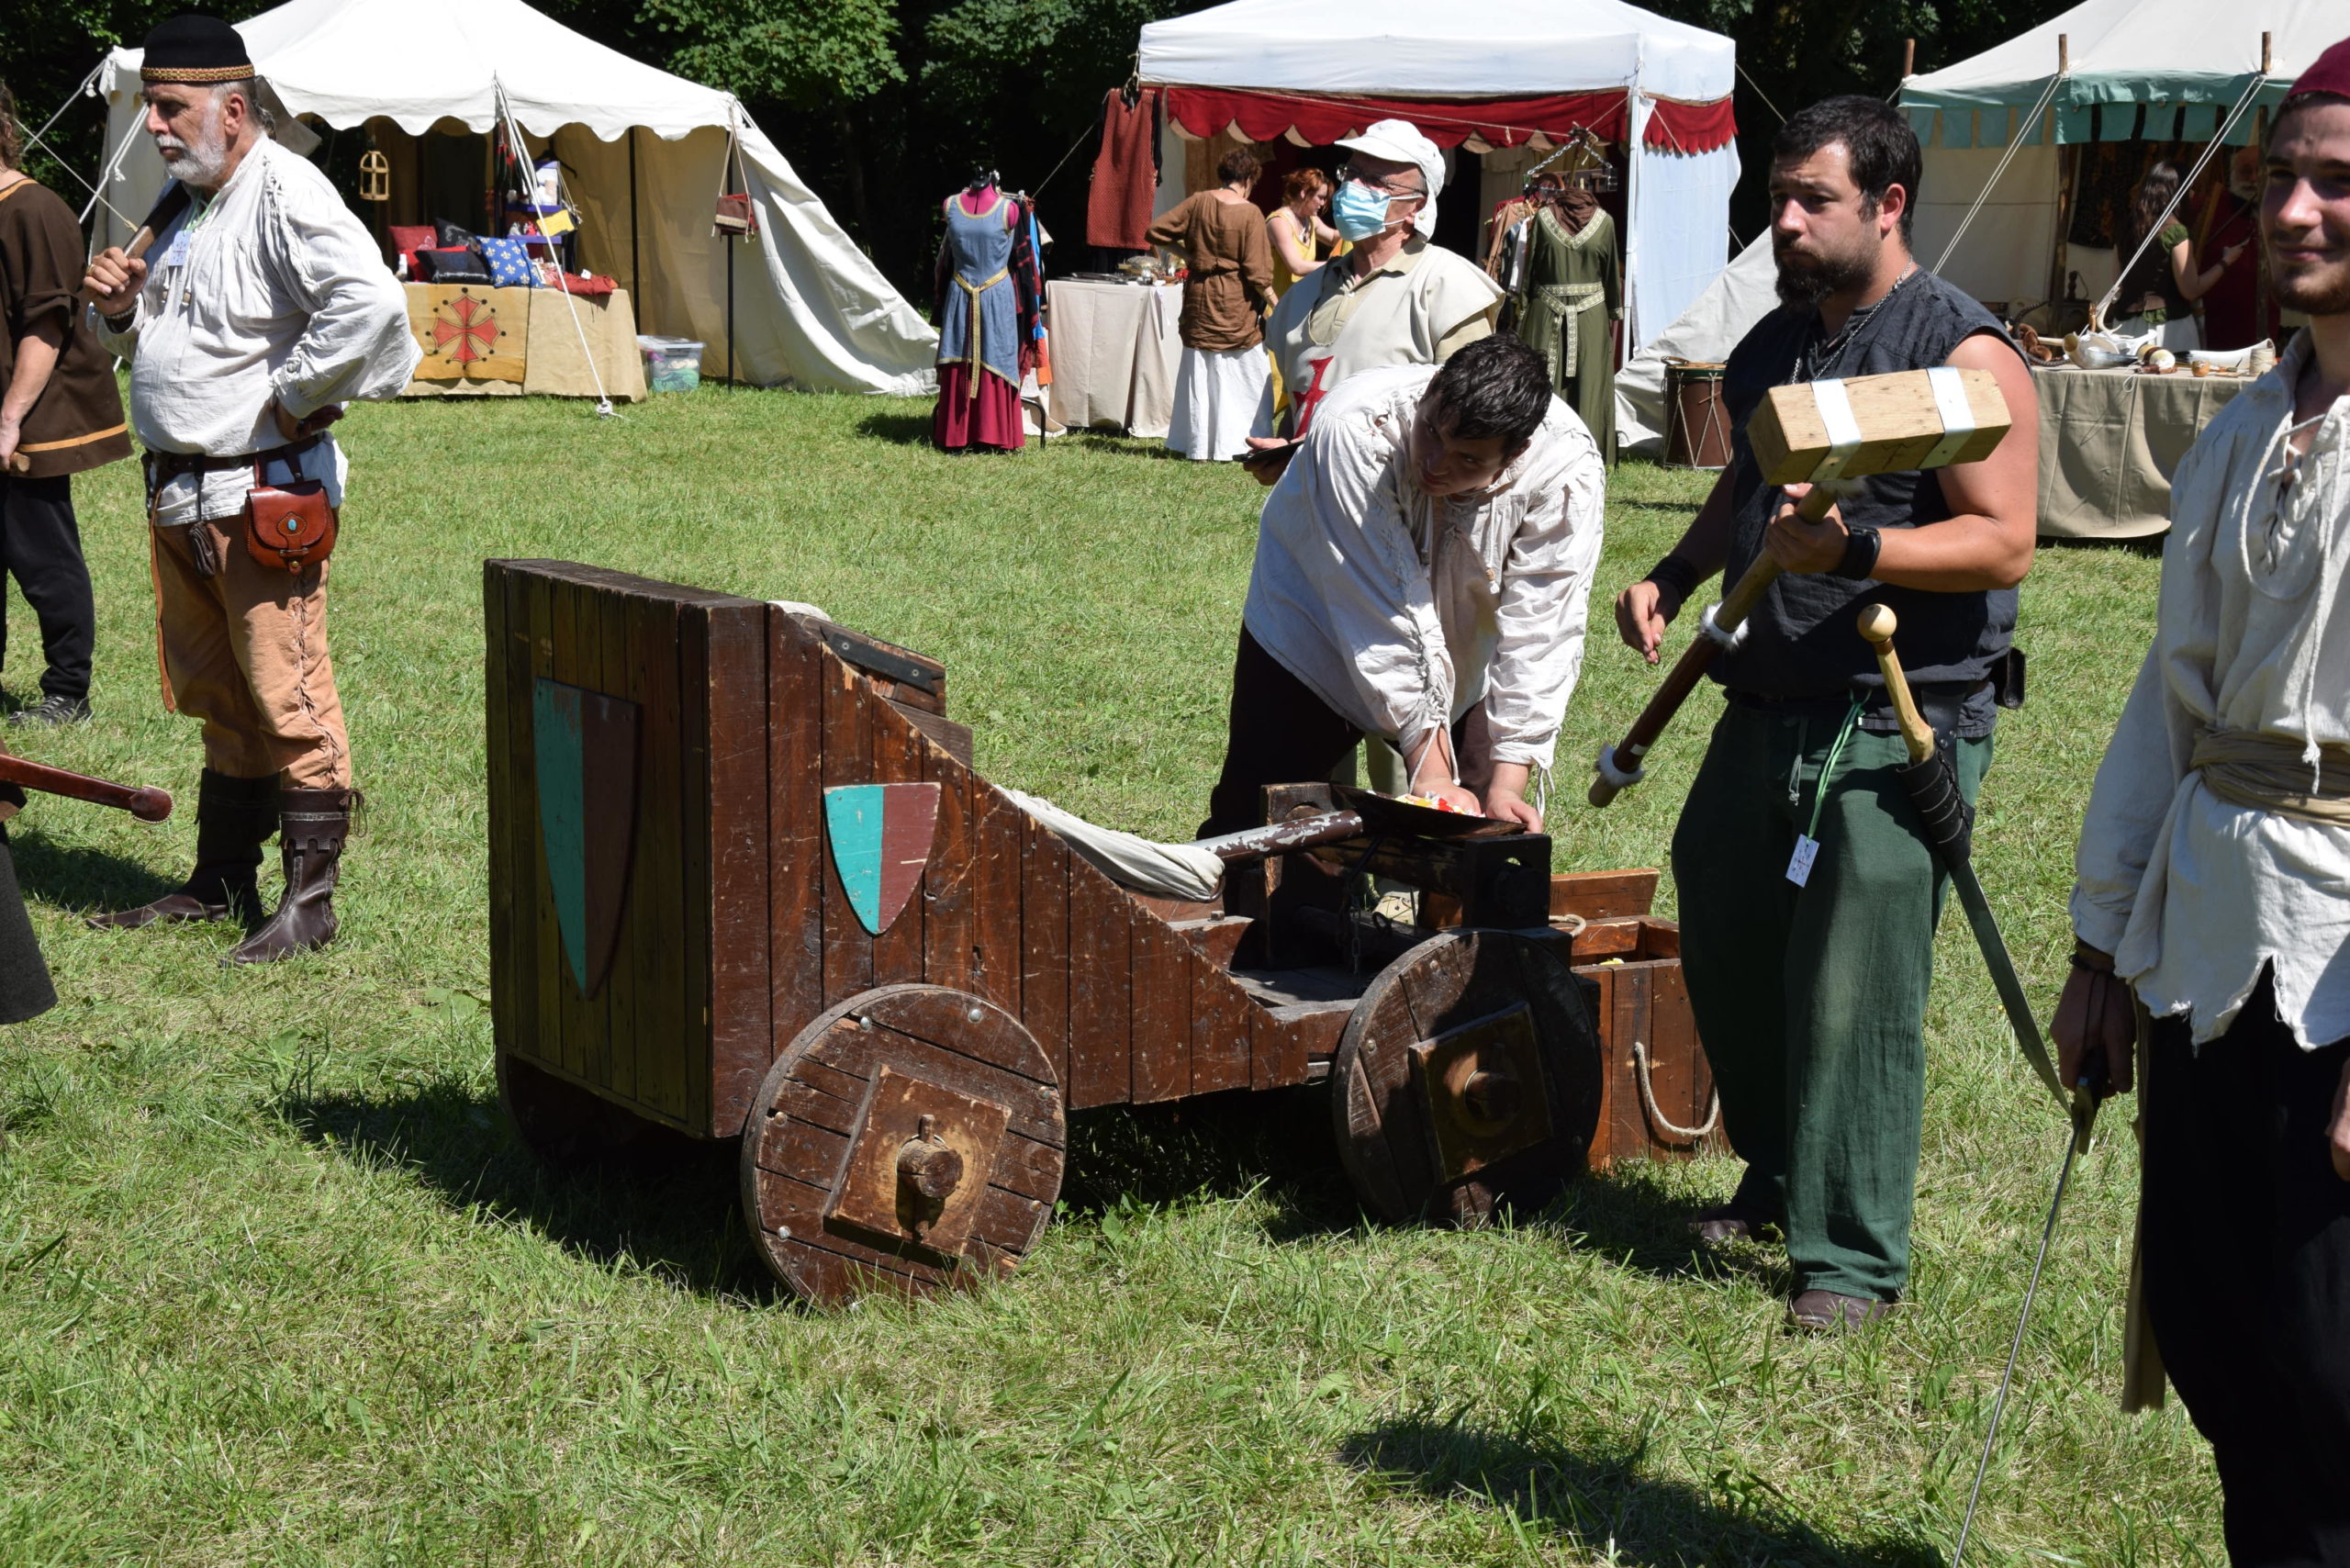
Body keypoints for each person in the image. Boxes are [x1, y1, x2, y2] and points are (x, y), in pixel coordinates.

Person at [1611, 95, 2040, 1331]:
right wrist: (1675, 575)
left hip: (1898, 706)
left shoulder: (1962, 355)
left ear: (1889, 204)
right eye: (1777, 199)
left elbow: (2003, 542)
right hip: (1767, 691)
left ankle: (1848, 1259)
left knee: (1853, 979)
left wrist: (1857, 558)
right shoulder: (1776, 342)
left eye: (1814, 201)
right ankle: (1782, 1167)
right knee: (1729, 921)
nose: (1785, 221)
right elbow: (1744, 489)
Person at [2055, 45, 2350, 1564]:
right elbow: (2169, 704)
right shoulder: (2243, 425)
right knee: (2222, 1328)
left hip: (2341, 966)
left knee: (2331, 1363)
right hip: (2209, 940)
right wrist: (2104, 947)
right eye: (2278, 178)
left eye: (2337, 182)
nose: (2294, 210)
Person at [77, 15, 420, 964]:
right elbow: (167, 338)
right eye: (150, 106)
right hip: (183, 495)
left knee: (289, 695)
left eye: (171, 107)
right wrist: (117, 310)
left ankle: (310, 904)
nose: (153, 125)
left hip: (260, 493)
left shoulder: (284, 189)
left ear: (233, 110)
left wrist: (290, 399)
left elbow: (371, 303)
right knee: (224, 696)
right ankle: (221, 878)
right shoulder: (188, 202)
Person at [1201, 334, 1605, 838]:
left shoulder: (1566, 471)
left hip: (1463, 651)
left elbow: (1544, 624)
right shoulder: (1357, 427)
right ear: (1432, 389)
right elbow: (1381, 608)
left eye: (1469, 460)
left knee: (1478, 838)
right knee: (1259, 823)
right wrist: (1432, 772)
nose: (1436, 463)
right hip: (1315, 623)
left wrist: (1508, 782)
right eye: (1432, 432)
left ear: (1517, 452)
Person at [1244, 119, 1502, 468]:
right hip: (1306, 506)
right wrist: (1284, 454)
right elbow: (1300, 403)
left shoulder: (1448, 288)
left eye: (1376, 181)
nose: (1353, 187)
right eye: (1351, 173)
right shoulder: (1301, 295)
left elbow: (1471, 417)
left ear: (1416, 207)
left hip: (1400, 501)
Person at [0, 84, 132, 727]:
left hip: (27, 420)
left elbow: (46, 323)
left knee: (44, 561)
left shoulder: (34, 209)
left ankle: (67, 694)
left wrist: (8, 420)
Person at [1147, 148, 1276, 462]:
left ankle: (1198, 443)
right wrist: (1276, 302)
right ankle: (1239, 441)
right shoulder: (1250, 213)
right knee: (1245, 371)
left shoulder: (1198, 201)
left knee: (1202, 368)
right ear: (1247, 178)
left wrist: (1189, 254)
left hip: (1200, 296)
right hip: (1234, 300)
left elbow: (1155, 231)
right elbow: (1258, 271)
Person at [1513, 178, 1622, 467]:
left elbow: (1530, 272)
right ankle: (1540, 452)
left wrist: (1522, 303)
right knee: (1544, 381)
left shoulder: (1548, 219)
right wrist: (1614, 309)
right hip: (1574, 315)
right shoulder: (1551, 219)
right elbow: (1610, 275)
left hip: (1559, 313)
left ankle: (1582, 455)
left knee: (1587, 382)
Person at [934, 172, 1041, 454]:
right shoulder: (951, 205)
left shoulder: (1010, 209)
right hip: (961, 293)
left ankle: (994, 434)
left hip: (997, 295)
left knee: (997, 357)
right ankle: (957, 433)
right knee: (960, 356)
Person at [2109, 161, 2238, 351]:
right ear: (2176, 192)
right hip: (2166, 331)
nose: (2192, 194)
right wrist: (2226, 261)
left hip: (2125, 329)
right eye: (2189, 188)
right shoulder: (2176, 232)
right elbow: (2191, 289)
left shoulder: (2127, 228)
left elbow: (2116, 283)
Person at [2194, 143, 2278, 352]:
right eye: (2245, 171)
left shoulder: (2280, 209)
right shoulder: (2209, 207)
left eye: (2259, 171)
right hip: (2217, 319)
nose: (2253, 179)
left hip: (2264, 318)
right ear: (2232, 173)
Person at [1268, 168, 1337, 297]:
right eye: (1320, 197)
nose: (1323, 203)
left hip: (1298, 303)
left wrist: (1359, 233)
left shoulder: (1311, 220)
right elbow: (1297, 267)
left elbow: (1333, 237)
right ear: (1304, 193)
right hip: (1276, 307)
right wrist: (1335, 264)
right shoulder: (1279, 222)